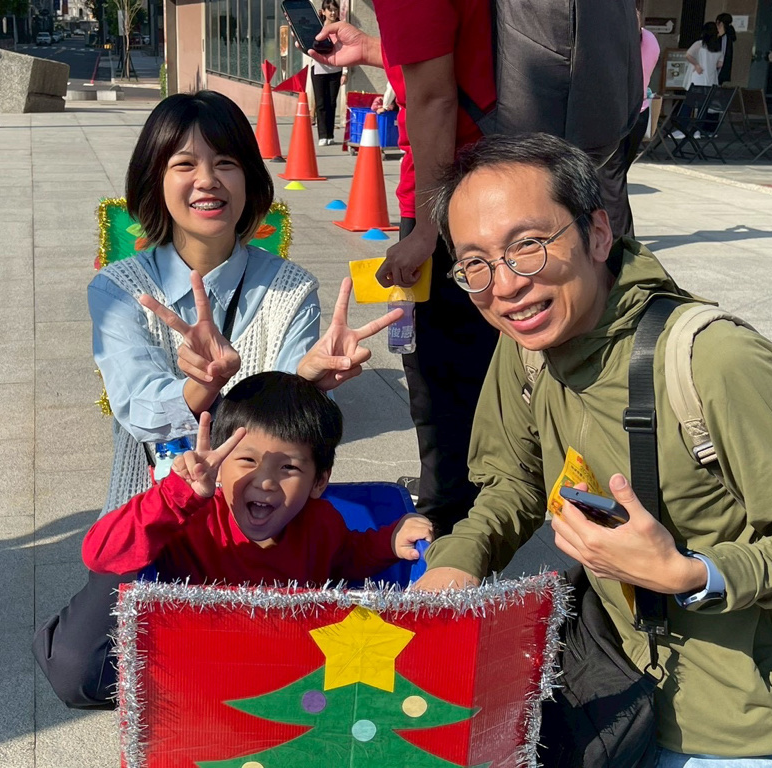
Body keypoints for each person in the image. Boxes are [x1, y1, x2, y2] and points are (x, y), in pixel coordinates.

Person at [413, 133, 772, 765]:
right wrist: (459, 561)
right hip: (613, 689)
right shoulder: (526, 348)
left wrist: (691, 574)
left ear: (598, 234)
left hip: (742, 726)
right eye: (476, 264)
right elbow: (514, 482)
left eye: (528, 245)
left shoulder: (715, 361)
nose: (505, 285)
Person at [86, 91, 400, 518]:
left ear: (249, 179)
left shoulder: (291, 289)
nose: (207, 179)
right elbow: (138, 408)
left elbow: (286, 431)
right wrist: (203, 385)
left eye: (225, 163)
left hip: (257, 520)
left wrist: (304, 383)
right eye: (184, 164)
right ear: (154, 181)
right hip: (150, 518)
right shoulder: (119, 289)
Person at [39, 371, 434, 708]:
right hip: (192, 671)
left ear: (319, 482)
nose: (265, 481)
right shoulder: (190, 518)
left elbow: (347, 557)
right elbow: (101, 554)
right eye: (246, 460)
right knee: (79, 669)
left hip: (273, 672)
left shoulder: (322, 523)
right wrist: (173, 498)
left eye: (288, 467)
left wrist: (388, 541)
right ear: (219, 463)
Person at [308, 4, 501, 536]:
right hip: (498, 183)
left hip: (453, 197)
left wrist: (427, 229)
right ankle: (468, 493)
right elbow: (456, 61)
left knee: (436, 370)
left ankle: (450, 519)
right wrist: (373, 50)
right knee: (478, 360)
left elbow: (435, 96)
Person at [596, 0, 661, 238]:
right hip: (639, 114)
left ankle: (622, 242)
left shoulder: (612, 41)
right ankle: (611, 238)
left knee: (611, 184)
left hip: (613, 118)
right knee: (615, 181)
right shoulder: (650, 40)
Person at [310, 0, 345, 145]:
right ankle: (322, 135)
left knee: (331, 102)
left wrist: (345, 71)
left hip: (336, 69)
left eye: (335, 10)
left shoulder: (342, 28)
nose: (333, 12)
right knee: (321, 103)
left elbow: (346, 50)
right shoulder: (317, 27)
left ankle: (330, 134)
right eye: (330, 10)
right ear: (323, 12)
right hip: (318, 69)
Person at [685, 22, 723, 88]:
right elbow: (720, 64)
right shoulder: (718, 48)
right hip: (712, 78)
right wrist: (711, 65)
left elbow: (688, 55)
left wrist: (696, 65)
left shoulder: (700, 44)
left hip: (699, 76)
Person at [716, 13, 737, 85]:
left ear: (721, 23)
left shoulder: (724, 38)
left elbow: (723, 53)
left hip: (719, 68)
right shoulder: (728, 36)